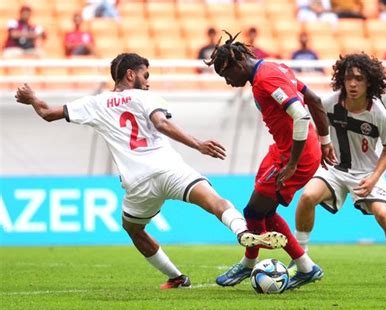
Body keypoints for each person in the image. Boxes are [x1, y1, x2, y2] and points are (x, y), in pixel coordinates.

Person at [14, 52, 288, 289]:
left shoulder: (94, 103)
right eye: (145, 74)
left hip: (138, 182)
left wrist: (32, 97)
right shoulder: (148, 98)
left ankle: (177, 277)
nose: (148, 80)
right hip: (169, 168)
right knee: (214, 201)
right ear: (130, 75)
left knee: (133, 229)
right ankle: (241, 232)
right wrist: (198, 144)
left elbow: (48, 113)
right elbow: (161, 123)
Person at [204, 31, 337, 290]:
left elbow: (300, 116)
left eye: (227, 75)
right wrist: (324, 140)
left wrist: (292, 163)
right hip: (285, 149)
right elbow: (314, 99)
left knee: (254, 212)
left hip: (294, 154)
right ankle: (307, 268)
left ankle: (249, 263)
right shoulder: (274, 67)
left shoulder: (266, 79)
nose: (229, 82)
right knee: (262, 211)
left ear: (238, 64)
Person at [291, 53, 386, 286]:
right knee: (307, 196)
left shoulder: (379, 113)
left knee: (384, 215)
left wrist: (374, 178)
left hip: (367, 172)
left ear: (369, 81)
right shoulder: (329, 103)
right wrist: (323, 145)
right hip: (335, 168)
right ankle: (301, 258)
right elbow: (315, 126)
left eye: (359, 79)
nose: (352, 84)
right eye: (348, 78)